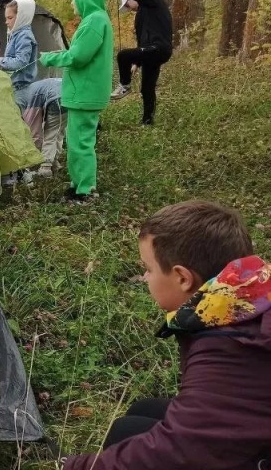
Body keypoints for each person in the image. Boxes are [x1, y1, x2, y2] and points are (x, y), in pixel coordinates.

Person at [61, 200, 271, 470]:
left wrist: (78, 466)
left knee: (126, 435)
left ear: (183, 278)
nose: (145, 277)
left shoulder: (229, 348)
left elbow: (178, 450)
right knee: (142, 413)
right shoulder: (247, 300)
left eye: (149, 269)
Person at [40, 0, 112, 203]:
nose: (73, 2)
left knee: (81, 143)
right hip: (84, 92)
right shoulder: (97, 19)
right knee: (77, 141)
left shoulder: (94, 21)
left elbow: (78, 57)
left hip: (85, 93)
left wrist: (49, 58)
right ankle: (78, 184)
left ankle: (85, 191)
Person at [0, 0, 39, 185]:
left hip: (20, 88)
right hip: (13, 86)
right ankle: (19, 171)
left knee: (14, 129)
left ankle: (19, 171)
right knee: (14, 128)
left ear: (21, 17)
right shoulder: (16, 34)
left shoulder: (24, 36)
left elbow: (20, 61)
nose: (6, 22)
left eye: (10, 18)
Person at [110, 0, 174, 125]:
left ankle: (124, 86)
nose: (128, 9)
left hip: (160, 48)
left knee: (122, 55)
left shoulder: (154, 0)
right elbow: (141, 42)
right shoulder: (140, 17)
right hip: (151, 52)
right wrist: (136, 63)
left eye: (127, 5)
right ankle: (147, 121)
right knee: (147, 88)